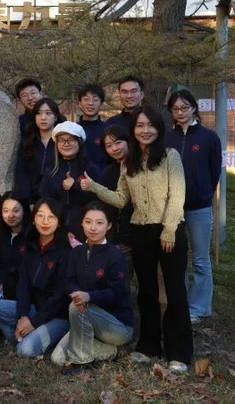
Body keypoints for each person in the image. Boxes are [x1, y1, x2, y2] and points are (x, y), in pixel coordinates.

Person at [80, 106, 192, 372]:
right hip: (140, 231)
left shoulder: (170, 155)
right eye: (140, 126)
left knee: (175, 291)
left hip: (169, 231)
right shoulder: (128, 162)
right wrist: (94, 187)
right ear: (133, 130)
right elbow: (121, 199)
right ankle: (149, 345)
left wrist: (168, 229)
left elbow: (177, 195)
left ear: (158, 128)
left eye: (150, 125)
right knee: (147, 291)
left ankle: (179, 351)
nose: (145, 130)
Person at [51, 202, 133, 374]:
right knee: (57, 359)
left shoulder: (115, 255)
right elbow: (68, 280)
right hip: (84, 319)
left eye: (99, 223)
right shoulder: (77, 252)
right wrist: (76, 293)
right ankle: (113, 351)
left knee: (77, 307)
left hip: (116, 325)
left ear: (109, 225)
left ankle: (80, 361)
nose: (93, 228)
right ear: (82, 223)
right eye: (88, 222)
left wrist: (89, 296)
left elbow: (118, 293)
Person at [0, 198, 71, 358]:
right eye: (40, 216)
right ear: (33, 220)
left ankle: (32, 339)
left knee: (25, 350)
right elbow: (23, 285)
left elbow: (60, 298)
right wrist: (23, 316)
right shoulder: (31, 247)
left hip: (57, 316)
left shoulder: (65, 252)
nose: (45, 222)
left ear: (59, 222)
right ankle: (23, 334)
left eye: (51, 217)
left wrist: (34, 322)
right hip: (34, 309)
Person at [165, 90, 221, 323]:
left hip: (199, 208)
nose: (180, 112)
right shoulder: (167, 138)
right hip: (173, 209)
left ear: (194, 108)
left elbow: (214, 171)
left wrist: (204, 192)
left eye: (184, 107)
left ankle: (199, 307)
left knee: (200, 259)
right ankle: (180, 303)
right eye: (176, 109)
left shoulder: (209, 137)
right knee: (177, 259)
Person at [39, 121, 100, 242]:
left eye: (71, 140)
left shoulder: (90, 169)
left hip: (85, 229)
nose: (66, 144)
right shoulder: (51, 170)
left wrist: (76, 186)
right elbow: (44, 198)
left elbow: (98, 199)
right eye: (61, 140)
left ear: (80, 142)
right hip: (56, 228)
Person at [14, 97, 63, 203]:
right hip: (31, 201)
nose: (43, 118)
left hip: (57, 200)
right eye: (39, 113)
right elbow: (21, 173)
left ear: (55, 117)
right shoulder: (28, 142)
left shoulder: (63, 143)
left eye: (48, 113)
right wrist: (28, 201)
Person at [100, 125, 134, 274]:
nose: (114, 148)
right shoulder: (108, 172)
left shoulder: (141, 165)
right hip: (120, 237)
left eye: (118, 142)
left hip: (145, 231)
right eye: (109, 146)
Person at [0, 192, 31, 301]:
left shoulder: (32, 235)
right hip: (4, 289)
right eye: (6, 211)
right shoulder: (2, 234)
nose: (10, 215)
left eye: (16, 211)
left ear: (24, 211)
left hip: (25, 293)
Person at [76, 84, 109, 169]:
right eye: (86, 99)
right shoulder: (73, 130)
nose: (90, 103)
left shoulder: (107, 130)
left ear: (101, 104)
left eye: (95, 100)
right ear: (80, 103)